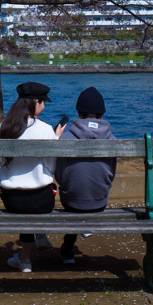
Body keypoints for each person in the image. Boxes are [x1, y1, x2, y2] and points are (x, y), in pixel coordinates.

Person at [0, 81, 66, 272]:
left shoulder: (3, 126)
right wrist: (55, 139)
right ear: (36, 102)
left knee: (25, 197)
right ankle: (27, 254)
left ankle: (29, 253)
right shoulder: (45, 129)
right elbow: (51, 167)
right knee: (40, 190)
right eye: (43, 102)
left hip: (12, 200)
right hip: (41, 201)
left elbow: (1, 163)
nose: (44, 107)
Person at [54, 86, 116, 265]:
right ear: (102, 115)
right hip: (99, 201)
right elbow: (111, 174)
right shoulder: (113, 141)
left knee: (74, 194)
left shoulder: (65, 139)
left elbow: (59, 175)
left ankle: (68, 250)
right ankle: (71, 244)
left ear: (78, 113)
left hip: (71, 201)